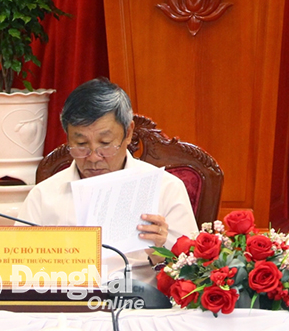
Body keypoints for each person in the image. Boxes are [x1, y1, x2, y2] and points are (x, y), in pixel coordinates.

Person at [21, 78, 198, 282]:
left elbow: (193, 277)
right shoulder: (43, 196)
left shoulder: (166, 189)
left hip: (139, 306)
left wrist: (161, 248)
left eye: (105, 143)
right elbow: (19, 274)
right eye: (80, 144)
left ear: (128, 133)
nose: (94, 157)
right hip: (67, 307)